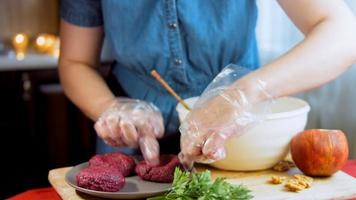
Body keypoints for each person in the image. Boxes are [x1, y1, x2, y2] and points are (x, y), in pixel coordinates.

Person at [59, 0, 356, 166]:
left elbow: (344, 34)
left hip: (239, 139)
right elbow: (75, 63)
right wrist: (112, 107)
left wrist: (248, 92)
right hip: (131, 140)